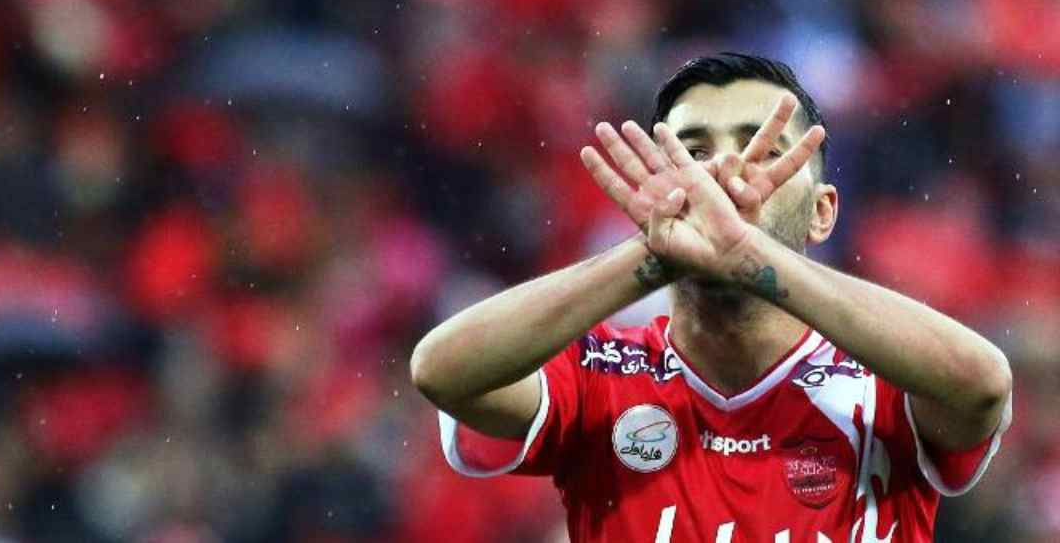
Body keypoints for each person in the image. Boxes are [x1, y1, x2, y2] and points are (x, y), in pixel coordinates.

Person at [410, 52, 1012, 542]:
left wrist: (749, 254)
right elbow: (443, 371)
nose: (722, 173)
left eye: (764, 150)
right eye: (693, 153)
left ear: (822, 211)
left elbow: (982, 384)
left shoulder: (885, 377)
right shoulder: (598, 373)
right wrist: (655, 254)